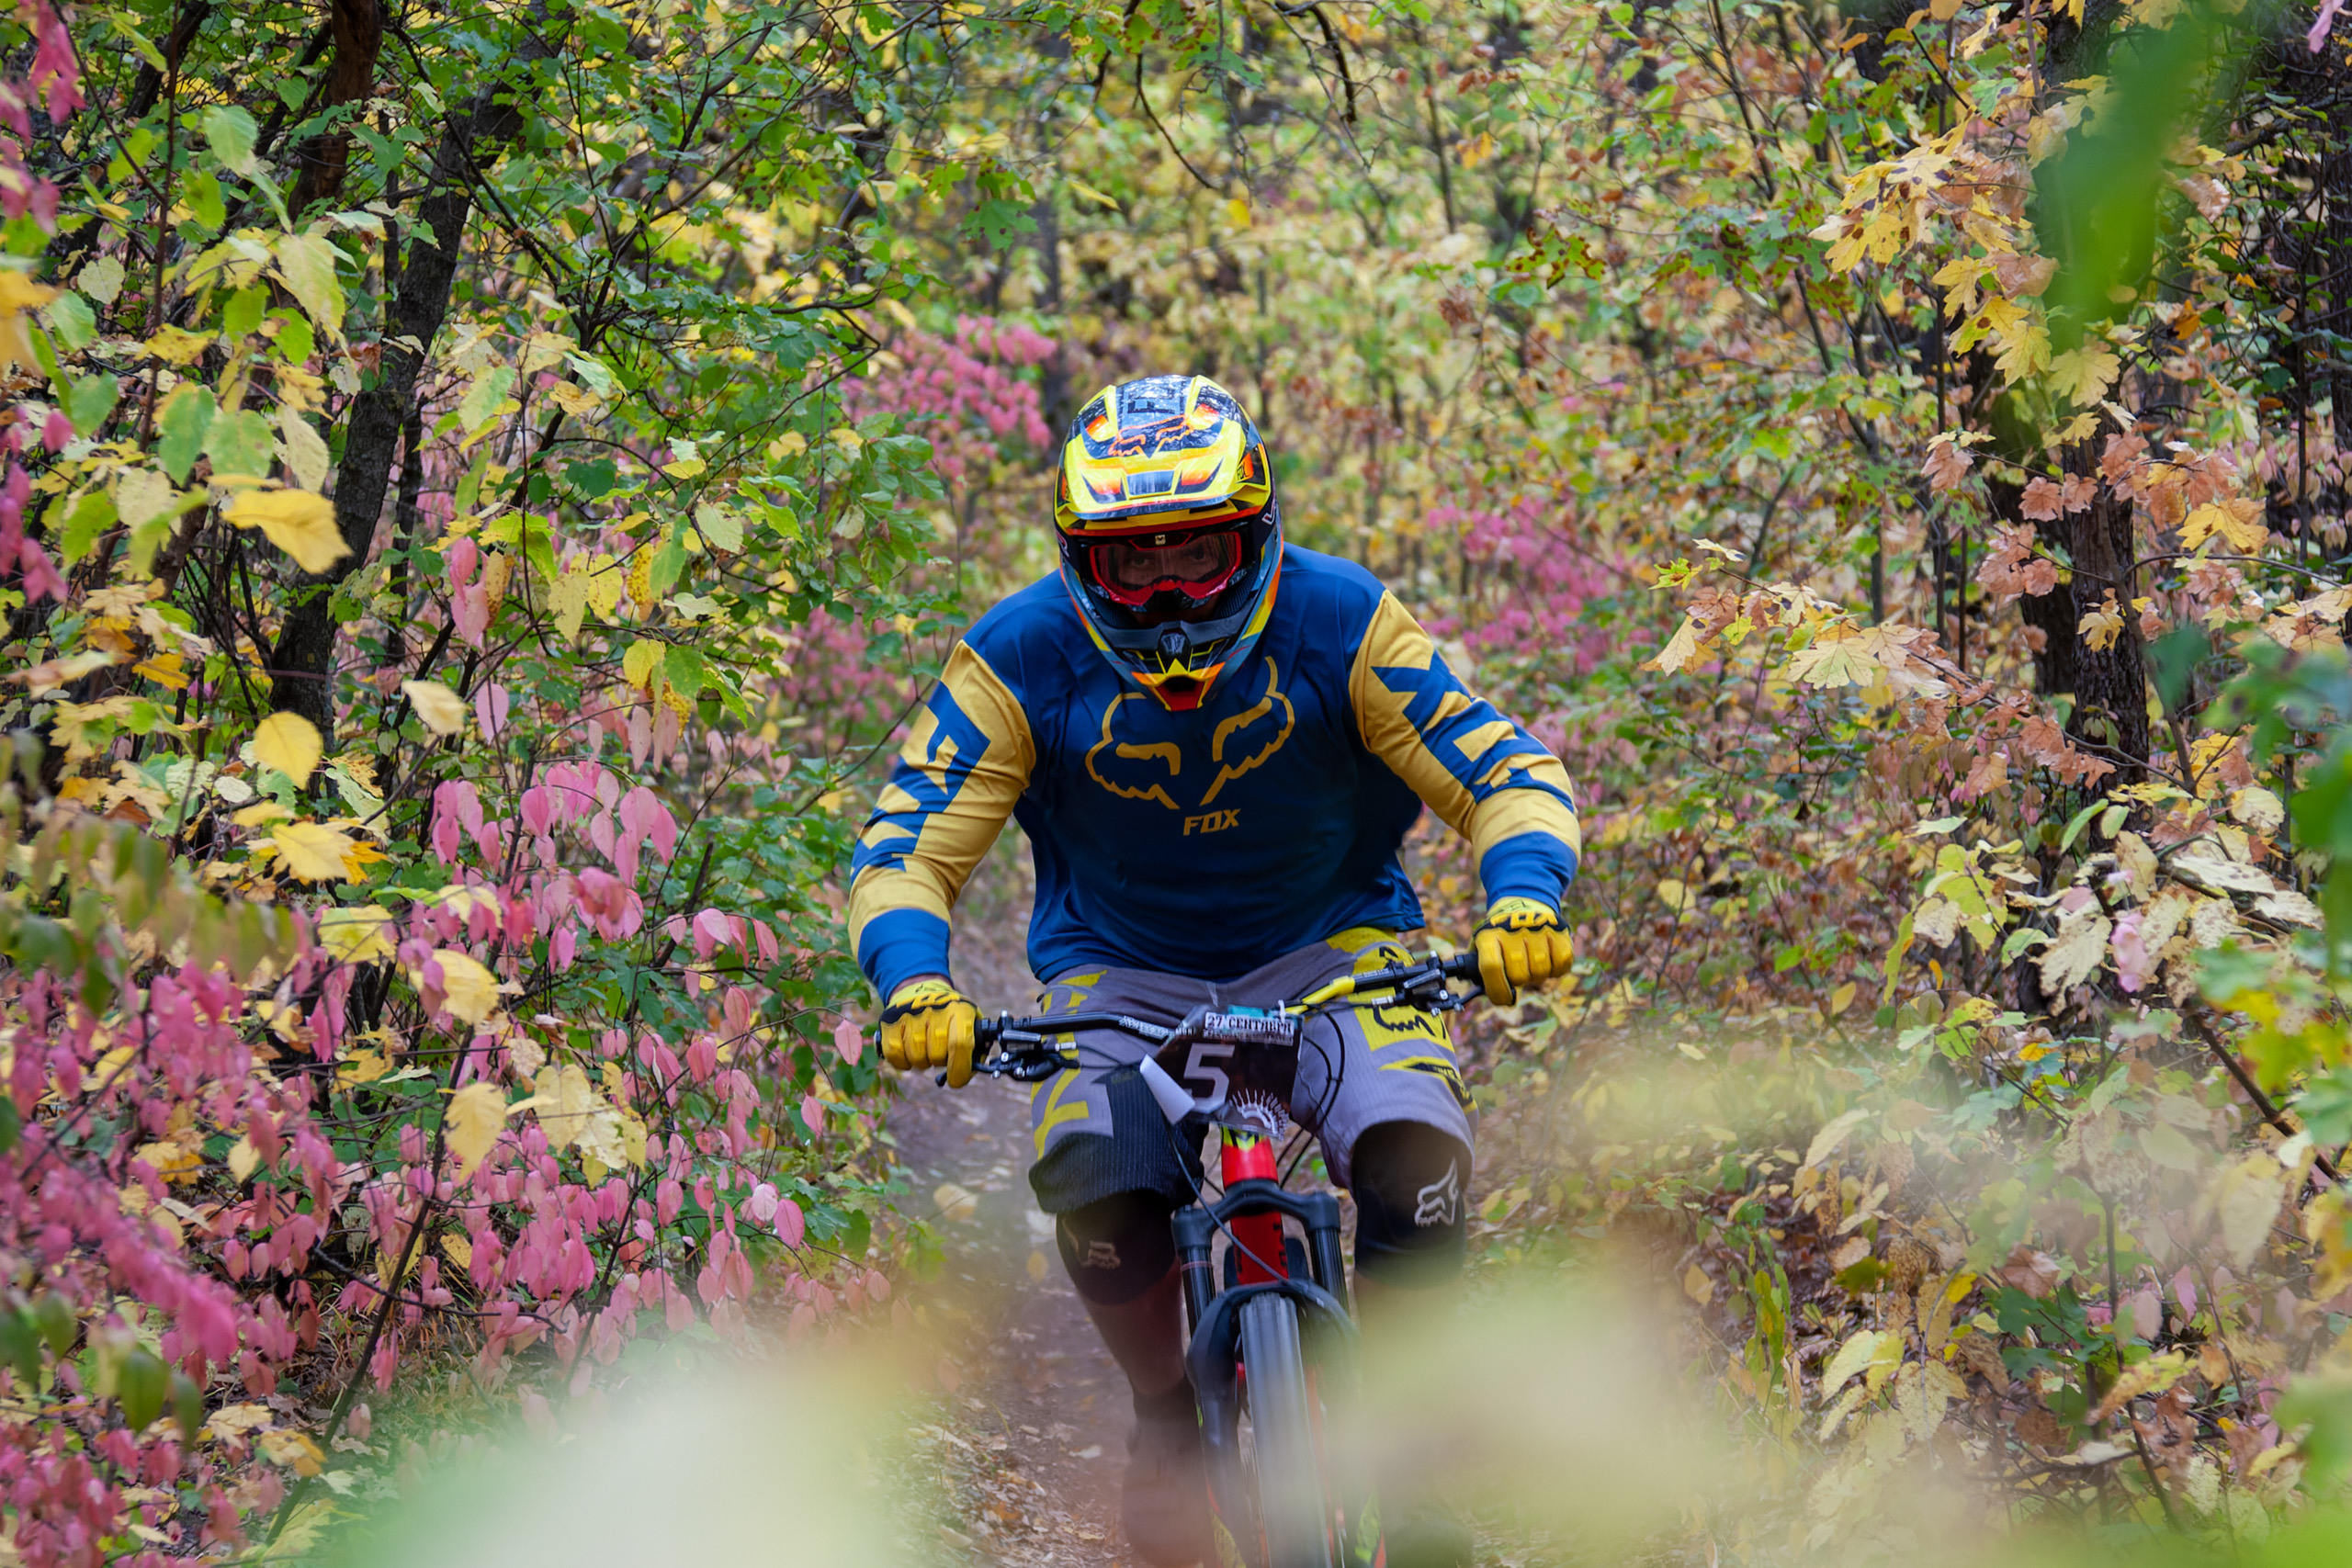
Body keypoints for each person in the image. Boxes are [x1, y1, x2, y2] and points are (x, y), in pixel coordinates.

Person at [848, 374, 1578, 1568]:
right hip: (1120, 974)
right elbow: (907, 844)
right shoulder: (1019, 657)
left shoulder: (1342, 619)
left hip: (1339, 951)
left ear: (1256, 532)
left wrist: (1523, 897)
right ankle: (1163, 1413)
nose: (1170, 593)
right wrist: (915, 980)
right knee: (1093, 1162)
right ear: (1081, 562)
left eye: (1197, 553)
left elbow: (1505, 769)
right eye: (1133, 564)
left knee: (1414, 1144)